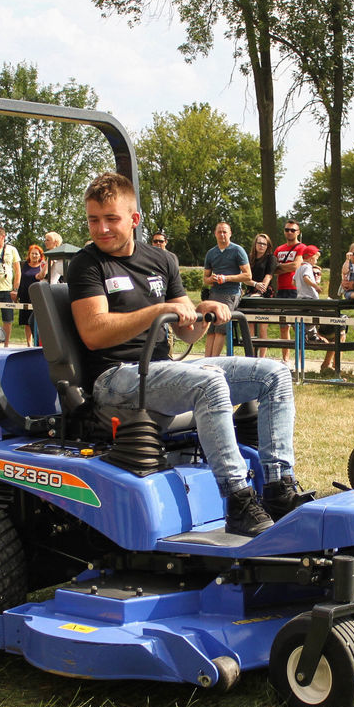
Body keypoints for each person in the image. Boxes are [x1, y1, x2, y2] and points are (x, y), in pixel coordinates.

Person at [67, 172, 304, 536]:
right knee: (207, 382)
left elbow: (188, 329)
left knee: (274, 373)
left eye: (110, 219)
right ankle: (239, 500)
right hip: (115, 377)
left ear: (134, 218)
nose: (101, 229)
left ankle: (278, 488)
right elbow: (94, 333)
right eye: (93, 220)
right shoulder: (88, 264)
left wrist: (205, 311)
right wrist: (155, 312)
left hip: (159, 369)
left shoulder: (161, 261)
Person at [202, 221, 251, 357]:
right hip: (214, 294)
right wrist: (211, 279)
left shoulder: (237, 250)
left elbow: (247, 275)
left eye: (225, 232)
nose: (222, 234)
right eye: (219, 232)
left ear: (230, 234)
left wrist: (226, 278)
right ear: (215, 234)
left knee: (220, 329)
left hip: (230, 294)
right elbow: (205, 278)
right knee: (210, 329)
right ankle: (206, 361)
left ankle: (214, 361)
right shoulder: (211, 253)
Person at [296, 246, 337, 372]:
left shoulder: (299, 268)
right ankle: (314, 335)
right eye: (316, 258)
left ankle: (311, 333)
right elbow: (306, 278)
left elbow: (294, 282)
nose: (316, 261)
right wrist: (315, 286)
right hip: (310, 300)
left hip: (300, 300)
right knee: (328, 317)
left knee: (309, 320)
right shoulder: (307, 267)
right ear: (310, 257)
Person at [272, 220, 307, 363]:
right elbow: (273, 268)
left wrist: (281, 267)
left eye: (293, 230)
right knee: (283, 326)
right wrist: (283, 267)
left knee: (297, 326)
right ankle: (285, 359)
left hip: (296, 290)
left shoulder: (302, 247)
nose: (289, 232)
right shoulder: (279, 249)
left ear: (298, 232)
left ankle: (300, 360)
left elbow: (296, 265)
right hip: (281, 290)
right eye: (287, 230)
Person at [244, 233, 275, 357]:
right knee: (249, 324)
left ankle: (262, 357)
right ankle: (251, 355)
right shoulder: (248, 258)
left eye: (264, 244)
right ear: (255, 244)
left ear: (268, 246)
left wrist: (260, 290)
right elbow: (244, 278)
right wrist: (255, 284)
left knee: (263, 326)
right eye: (259, 243)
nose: (261, 246)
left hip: (265, 292)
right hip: (250, 290)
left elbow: (269, 276)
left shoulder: (271, 258)